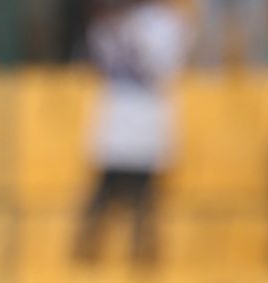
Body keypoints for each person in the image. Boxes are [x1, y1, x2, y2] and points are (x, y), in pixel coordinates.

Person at [74, 0, 188, 265]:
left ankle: (143, 255)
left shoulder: (164, 23)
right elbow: (101, 57)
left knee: (143, 196)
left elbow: (161, 65)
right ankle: (86, 252)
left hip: (145, 118)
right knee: (104, 192)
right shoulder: (109, 21)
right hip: (119, 118)